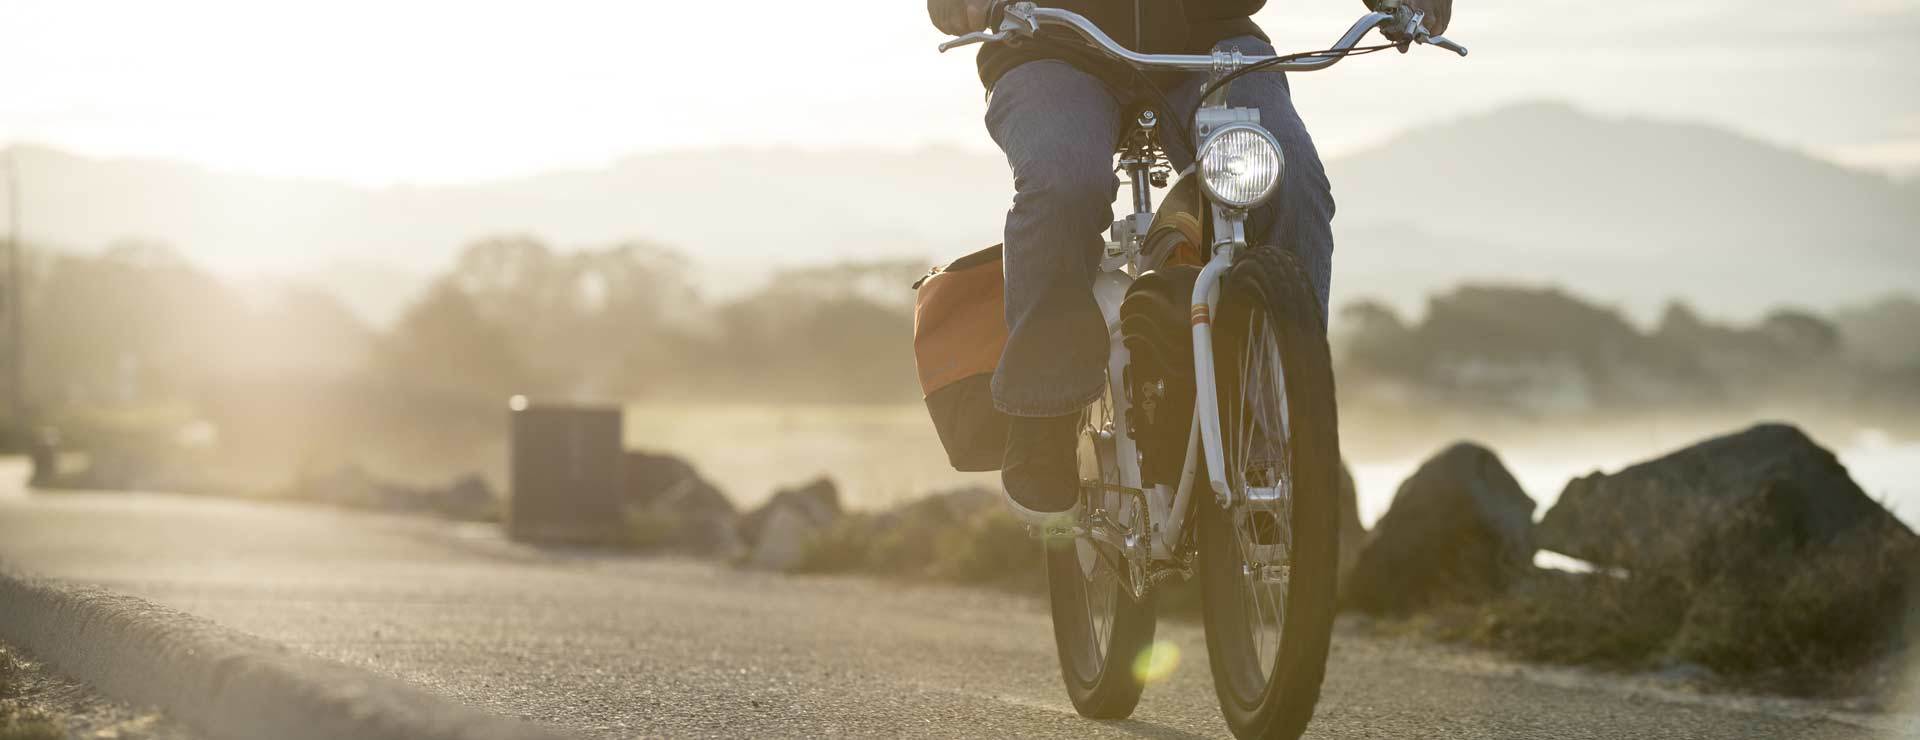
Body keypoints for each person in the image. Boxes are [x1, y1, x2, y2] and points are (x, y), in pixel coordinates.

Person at [927, 0, 1451, 527]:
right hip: (1050, 41)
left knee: (1291, 186)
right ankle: (1043, 409)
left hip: (1211, 40)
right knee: (1064, 184)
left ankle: (1272, 438)